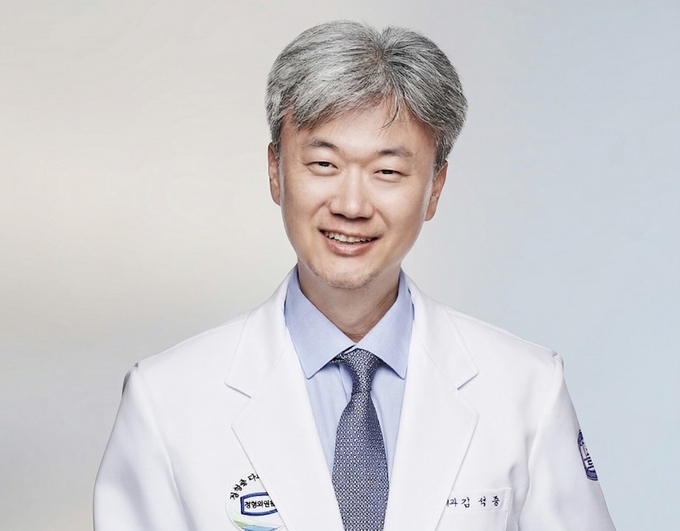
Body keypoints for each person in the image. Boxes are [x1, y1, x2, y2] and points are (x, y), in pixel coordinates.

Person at [94, 21, 616, 531]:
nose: (350, 205)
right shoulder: (166, 399)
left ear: (435, 189)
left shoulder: (526, 388)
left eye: (387, 171)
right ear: (275, 171)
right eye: (324, 164)